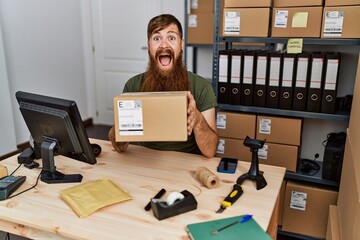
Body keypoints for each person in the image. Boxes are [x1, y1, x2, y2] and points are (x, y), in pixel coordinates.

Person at [108, 14, 218, 158]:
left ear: (181, 44)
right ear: (149, 46)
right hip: (148, 161)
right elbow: (119, 147)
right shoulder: (133, 85)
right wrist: (121, 127)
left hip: (188, 164)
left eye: (171, 38)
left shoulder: (201, 86)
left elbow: (210, 151)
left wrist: (197, 119)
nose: (164, 45)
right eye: (157, 38)